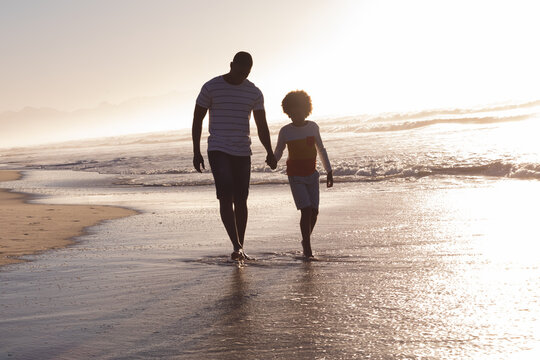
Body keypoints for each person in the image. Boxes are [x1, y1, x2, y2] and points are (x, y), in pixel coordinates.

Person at [192, 51, 277, 261]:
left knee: (241, 199)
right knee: (226, 196)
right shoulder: (211, 87)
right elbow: (197, 119)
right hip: (218, 148)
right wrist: (196, 151)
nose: (242, 77)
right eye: (240, 71)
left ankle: (240, 246)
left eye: (246, 73)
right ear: (231, 65)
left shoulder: (254, 92)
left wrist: (269, 151)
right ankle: (236, 244)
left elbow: (261, 125)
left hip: (242, 151)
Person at [273, 90, 333, 258]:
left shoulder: (313, 127)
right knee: (305, 210)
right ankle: (307, 245)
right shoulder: (285, 131)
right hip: (295, 176)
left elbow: (321, 149)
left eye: (299, 110)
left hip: (312, 175)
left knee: (314, 212)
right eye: (292, 112)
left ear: (306, 109)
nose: (296, 114)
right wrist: (272, 160)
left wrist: (329, 171)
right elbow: (278, 151)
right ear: (288, 112)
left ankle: (305, 239)